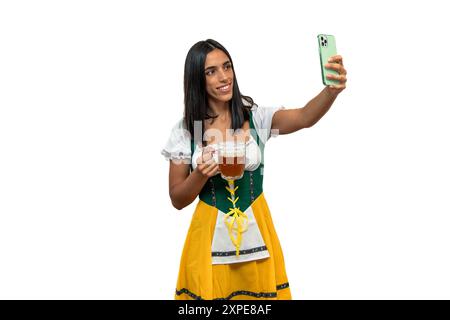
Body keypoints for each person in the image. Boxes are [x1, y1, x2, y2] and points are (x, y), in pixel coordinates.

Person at [161, 39, 347, 300]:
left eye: (227, 67)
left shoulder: (256, 118)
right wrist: (200, 174)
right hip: (207, 241)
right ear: (196, 79)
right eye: (211, 71)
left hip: (257, 232)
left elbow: (304, 117)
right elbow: (177, 199)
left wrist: (331, 91)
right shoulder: (186, 130)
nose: (223, 77)